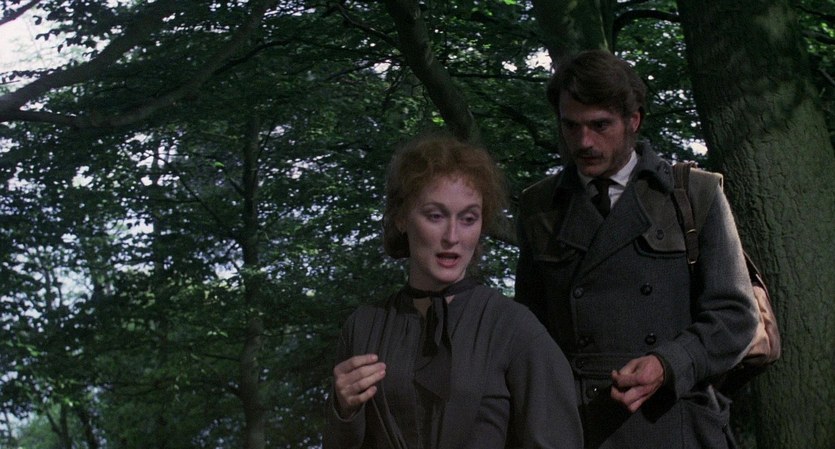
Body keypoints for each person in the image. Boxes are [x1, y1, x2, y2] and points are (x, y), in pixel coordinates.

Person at [514, 49, 760, 449]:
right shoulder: (539, 207)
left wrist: (669, 363)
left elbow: (736, 317)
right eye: (570, 126)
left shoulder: (694, 194)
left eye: (600, 125)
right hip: (577, 424)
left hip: (673, 420)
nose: (584, 141)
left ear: (634, 120)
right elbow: (528, 328)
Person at [324, 133, 583, 449]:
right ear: (402, 217)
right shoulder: (364, 327)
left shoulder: (514, 328)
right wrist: (344, 411)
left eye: (468, 219)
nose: (452, 236)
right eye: (435, 216)